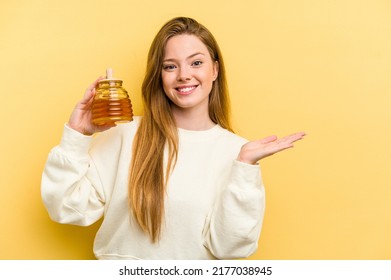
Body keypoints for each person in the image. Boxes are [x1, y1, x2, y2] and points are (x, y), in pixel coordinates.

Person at [41, 16, 305, 260]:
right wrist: (77, 135)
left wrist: (245, 168)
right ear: (160, 75)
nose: (184, 75)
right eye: (170, 66)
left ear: (215, 70)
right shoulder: (124, 133)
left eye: (196, 62)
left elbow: (230, 249)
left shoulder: (237, 152)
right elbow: (66, 208)